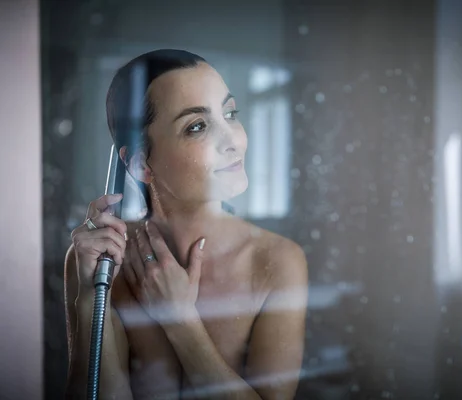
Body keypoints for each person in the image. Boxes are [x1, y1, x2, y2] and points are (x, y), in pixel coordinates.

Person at [64, 49, 308, 399]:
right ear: (140, 165)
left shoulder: (277, 261)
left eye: (230, 113)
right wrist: (90, 298)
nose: (233, 142)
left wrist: (180, 320)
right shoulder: (102, 259)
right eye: (197, 126)